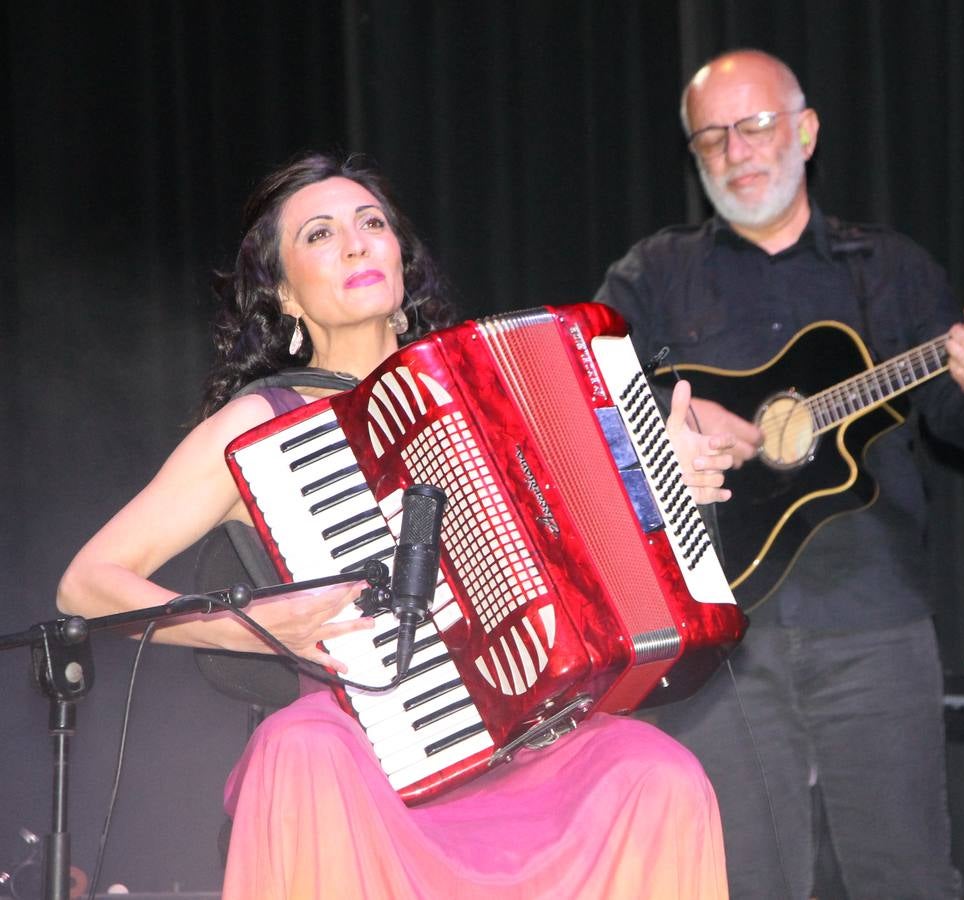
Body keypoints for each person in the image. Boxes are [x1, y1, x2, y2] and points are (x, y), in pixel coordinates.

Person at [57, 152, 740, 900]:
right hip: (362, 737)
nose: (355, 244)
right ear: (285, 295)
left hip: (527, 734)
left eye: (371, 223)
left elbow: (604, 549)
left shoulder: (488, 388)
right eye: (320, 234)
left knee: (661, 774)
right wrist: (249, 623)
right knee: (299, 749)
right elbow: (86, 586)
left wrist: (661, 484)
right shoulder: (257, 426)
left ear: (402, 266)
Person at [596, 50, 964, 899]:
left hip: (872, 618)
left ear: (806, 131)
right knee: (745, 882)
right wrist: (667, 427)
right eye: (713, 137)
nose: (739, 150)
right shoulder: (654, 273)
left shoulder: (892, 269)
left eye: (756, 125)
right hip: (722, 628)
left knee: (904, 876)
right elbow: (589, 401)